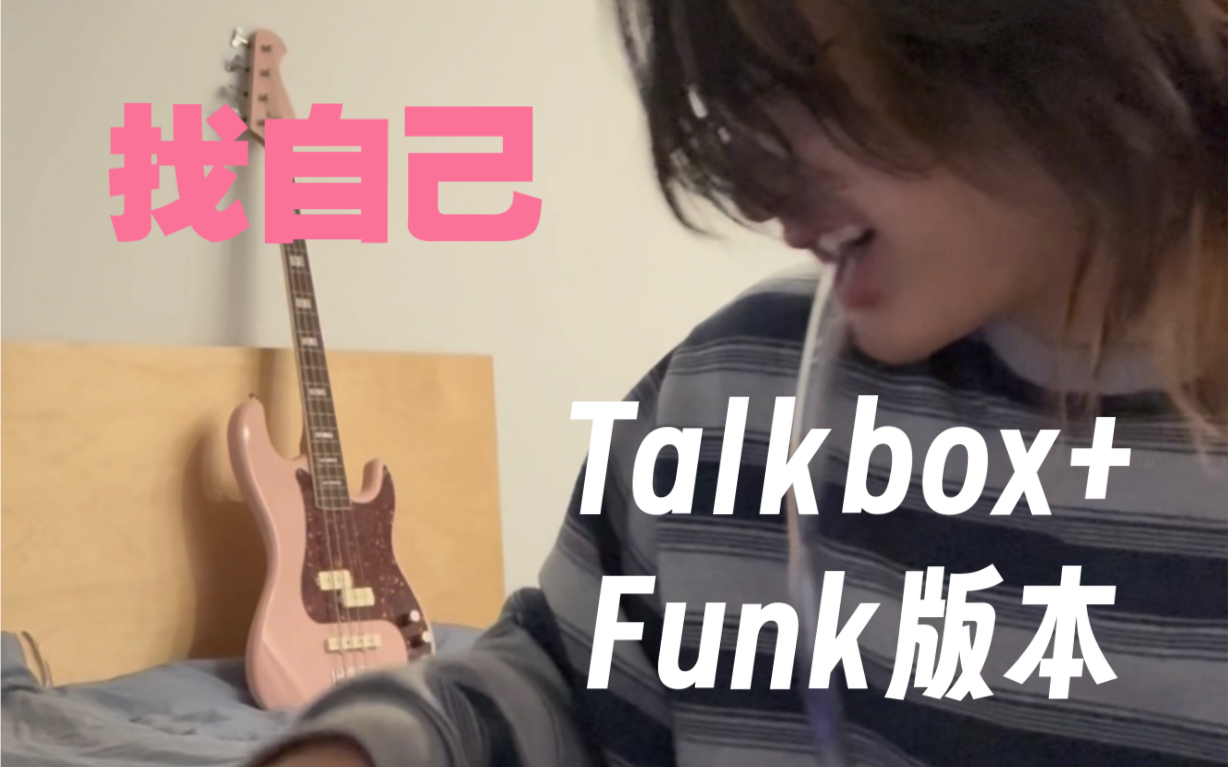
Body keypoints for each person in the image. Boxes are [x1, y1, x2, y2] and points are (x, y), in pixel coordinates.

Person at [246, 0, 1227, 765]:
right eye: (732, 108)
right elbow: (564, 689)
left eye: (797, 83)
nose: (756, 194)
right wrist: (361, 746)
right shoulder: (727, 392)